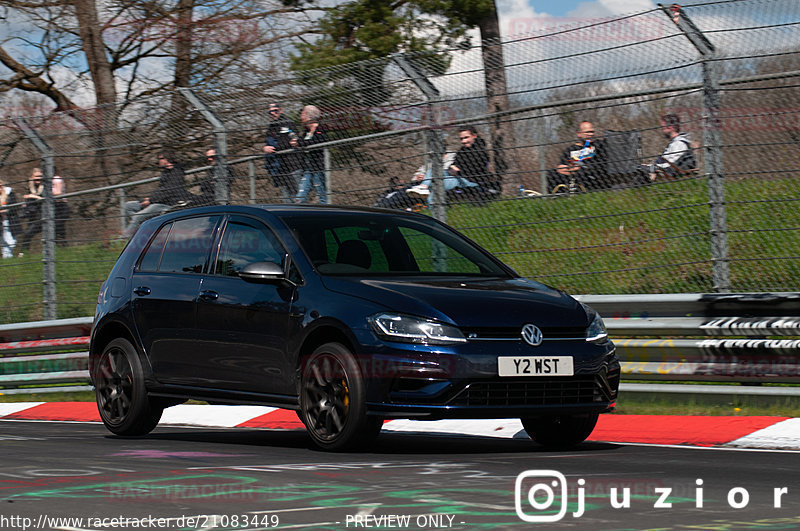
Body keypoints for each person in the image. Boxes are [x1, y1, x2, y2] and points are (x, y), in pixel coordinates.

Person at [123, 149, 193, 238]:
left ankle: (125, 238)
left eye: (160, 159)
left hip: (166, 203)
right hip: (157, 201)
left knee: (137, 216)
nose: (158, 161)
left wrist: (150, 201)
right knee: (128, 206)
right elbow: (160, 190)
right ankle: (143, 229)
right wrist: (149, 199)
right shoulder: (165, 173)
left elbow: (169, 192)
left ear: (166, 159)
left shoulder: (177, 172)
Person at [17, 168, 67, 257]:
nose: (38, 178)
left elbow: (46, 198)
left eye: (40, 176)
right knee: (28, 234)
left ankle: (61, 251)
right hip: (33, 215)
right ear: (32, 177)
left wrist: (33, 196)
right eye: (36, 176)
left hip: (44, 214)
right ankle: (23, 253)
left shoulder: (45, 186)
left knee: (54, 234)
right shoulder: (30, 187)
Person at [548, 121, 609, 192]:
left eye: (592, 132)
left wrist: (577, 169)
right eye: (587, 132)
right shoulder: (570, 150)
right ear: (579, 134)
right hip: (572, 175)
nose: (591, 134)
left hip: (591, 175)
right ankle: (556, 196)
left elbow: (600, 164)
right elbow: (561, 168)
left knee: (582, 172)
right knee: (551, 173)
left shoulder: (598, 145)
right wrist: (572, 170)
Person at [263, 102, 302, 203]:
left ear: (281, 110)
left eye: (275, 110)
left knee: (298, 193)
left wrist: (274, 148)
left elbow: (292, 141)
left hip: (293, 163)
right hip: (280, 166)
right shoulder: (271, 126)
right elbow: (268, 142)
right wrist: (266, 148)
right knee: (286, 195)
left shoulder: (288, 123)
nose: (272, 113)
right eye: (270, 112)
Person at [406, 152, 479, 205]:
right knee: (434, 180)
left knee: (434, 172)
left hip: (456, 179)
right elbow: (417, 174)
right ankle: (431, 205)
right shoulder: (430, 161)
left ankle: (424, 187)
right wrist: (418, 176)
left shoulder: (452, 155)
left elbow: (453, 169)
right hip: (436, 179)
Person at [448, 125, 496, 200]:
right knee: (433, 174)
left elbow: (475, 169)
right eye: (461, 139)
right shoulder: (462, 151)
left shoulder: (481, 151)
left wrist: (457, 169)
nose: (464, 141)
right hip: (457, 177)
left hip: (470, 180)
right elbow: (454, 165)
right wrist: (453, 168)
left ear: (474, 136)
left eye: (466, 137)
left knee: (435, 180)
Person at [293, 105, 329, 204]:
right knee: (300, 197)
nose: (301, 117)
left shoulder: (321, 129)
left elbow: (315, 142)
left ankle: (328, 215)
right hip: (308, 168)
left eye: (303, 114)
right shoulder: (306, 132)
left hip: (318, 168)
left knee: (322, 196)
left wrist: (300, 143)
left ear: (310, 116)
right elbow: (302, 141)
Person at [646, 114, 696, 180]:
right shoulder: (674, 143)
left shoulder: (679, 143)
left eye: (663, 128)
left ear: (670, 127)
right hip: (664, 169)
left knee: (640, 170)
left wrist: (652, 167)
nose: (662, 131)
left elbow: (671, 165)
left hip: (670, 173)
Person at [0, 179, 21, 258]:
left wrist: (6, 210)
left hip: (11, 220)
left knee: (12, 241)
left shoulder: (9, 194)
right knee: (3, 241)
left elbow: (15, 205)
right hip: (1, 222)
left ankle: (9, 256)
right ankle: (7, 258)